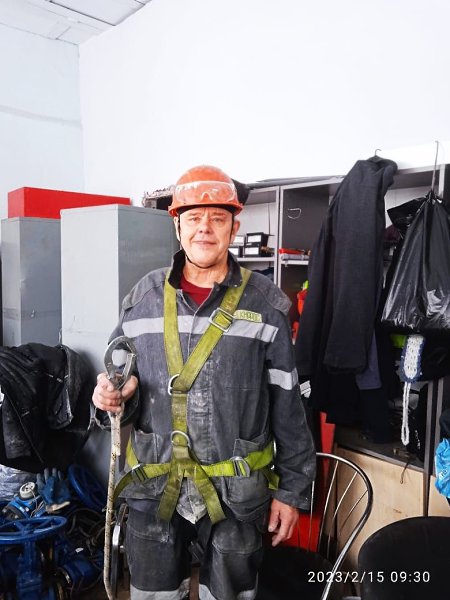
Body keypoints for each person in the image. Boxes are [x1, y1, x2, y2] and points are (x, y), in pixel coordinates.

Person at [92, 165, 316, 600]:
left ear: (234, 227)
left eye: (217, 218)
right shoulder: (142, 300)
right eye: (194, 218)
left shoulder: (265, 305)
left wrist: (291, 492)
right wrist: (112, 398)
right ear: (178, 227)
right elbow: (117, 385)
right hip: (155, 489)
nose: (205, 229)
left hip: (237, 496)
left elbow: (289, 406)